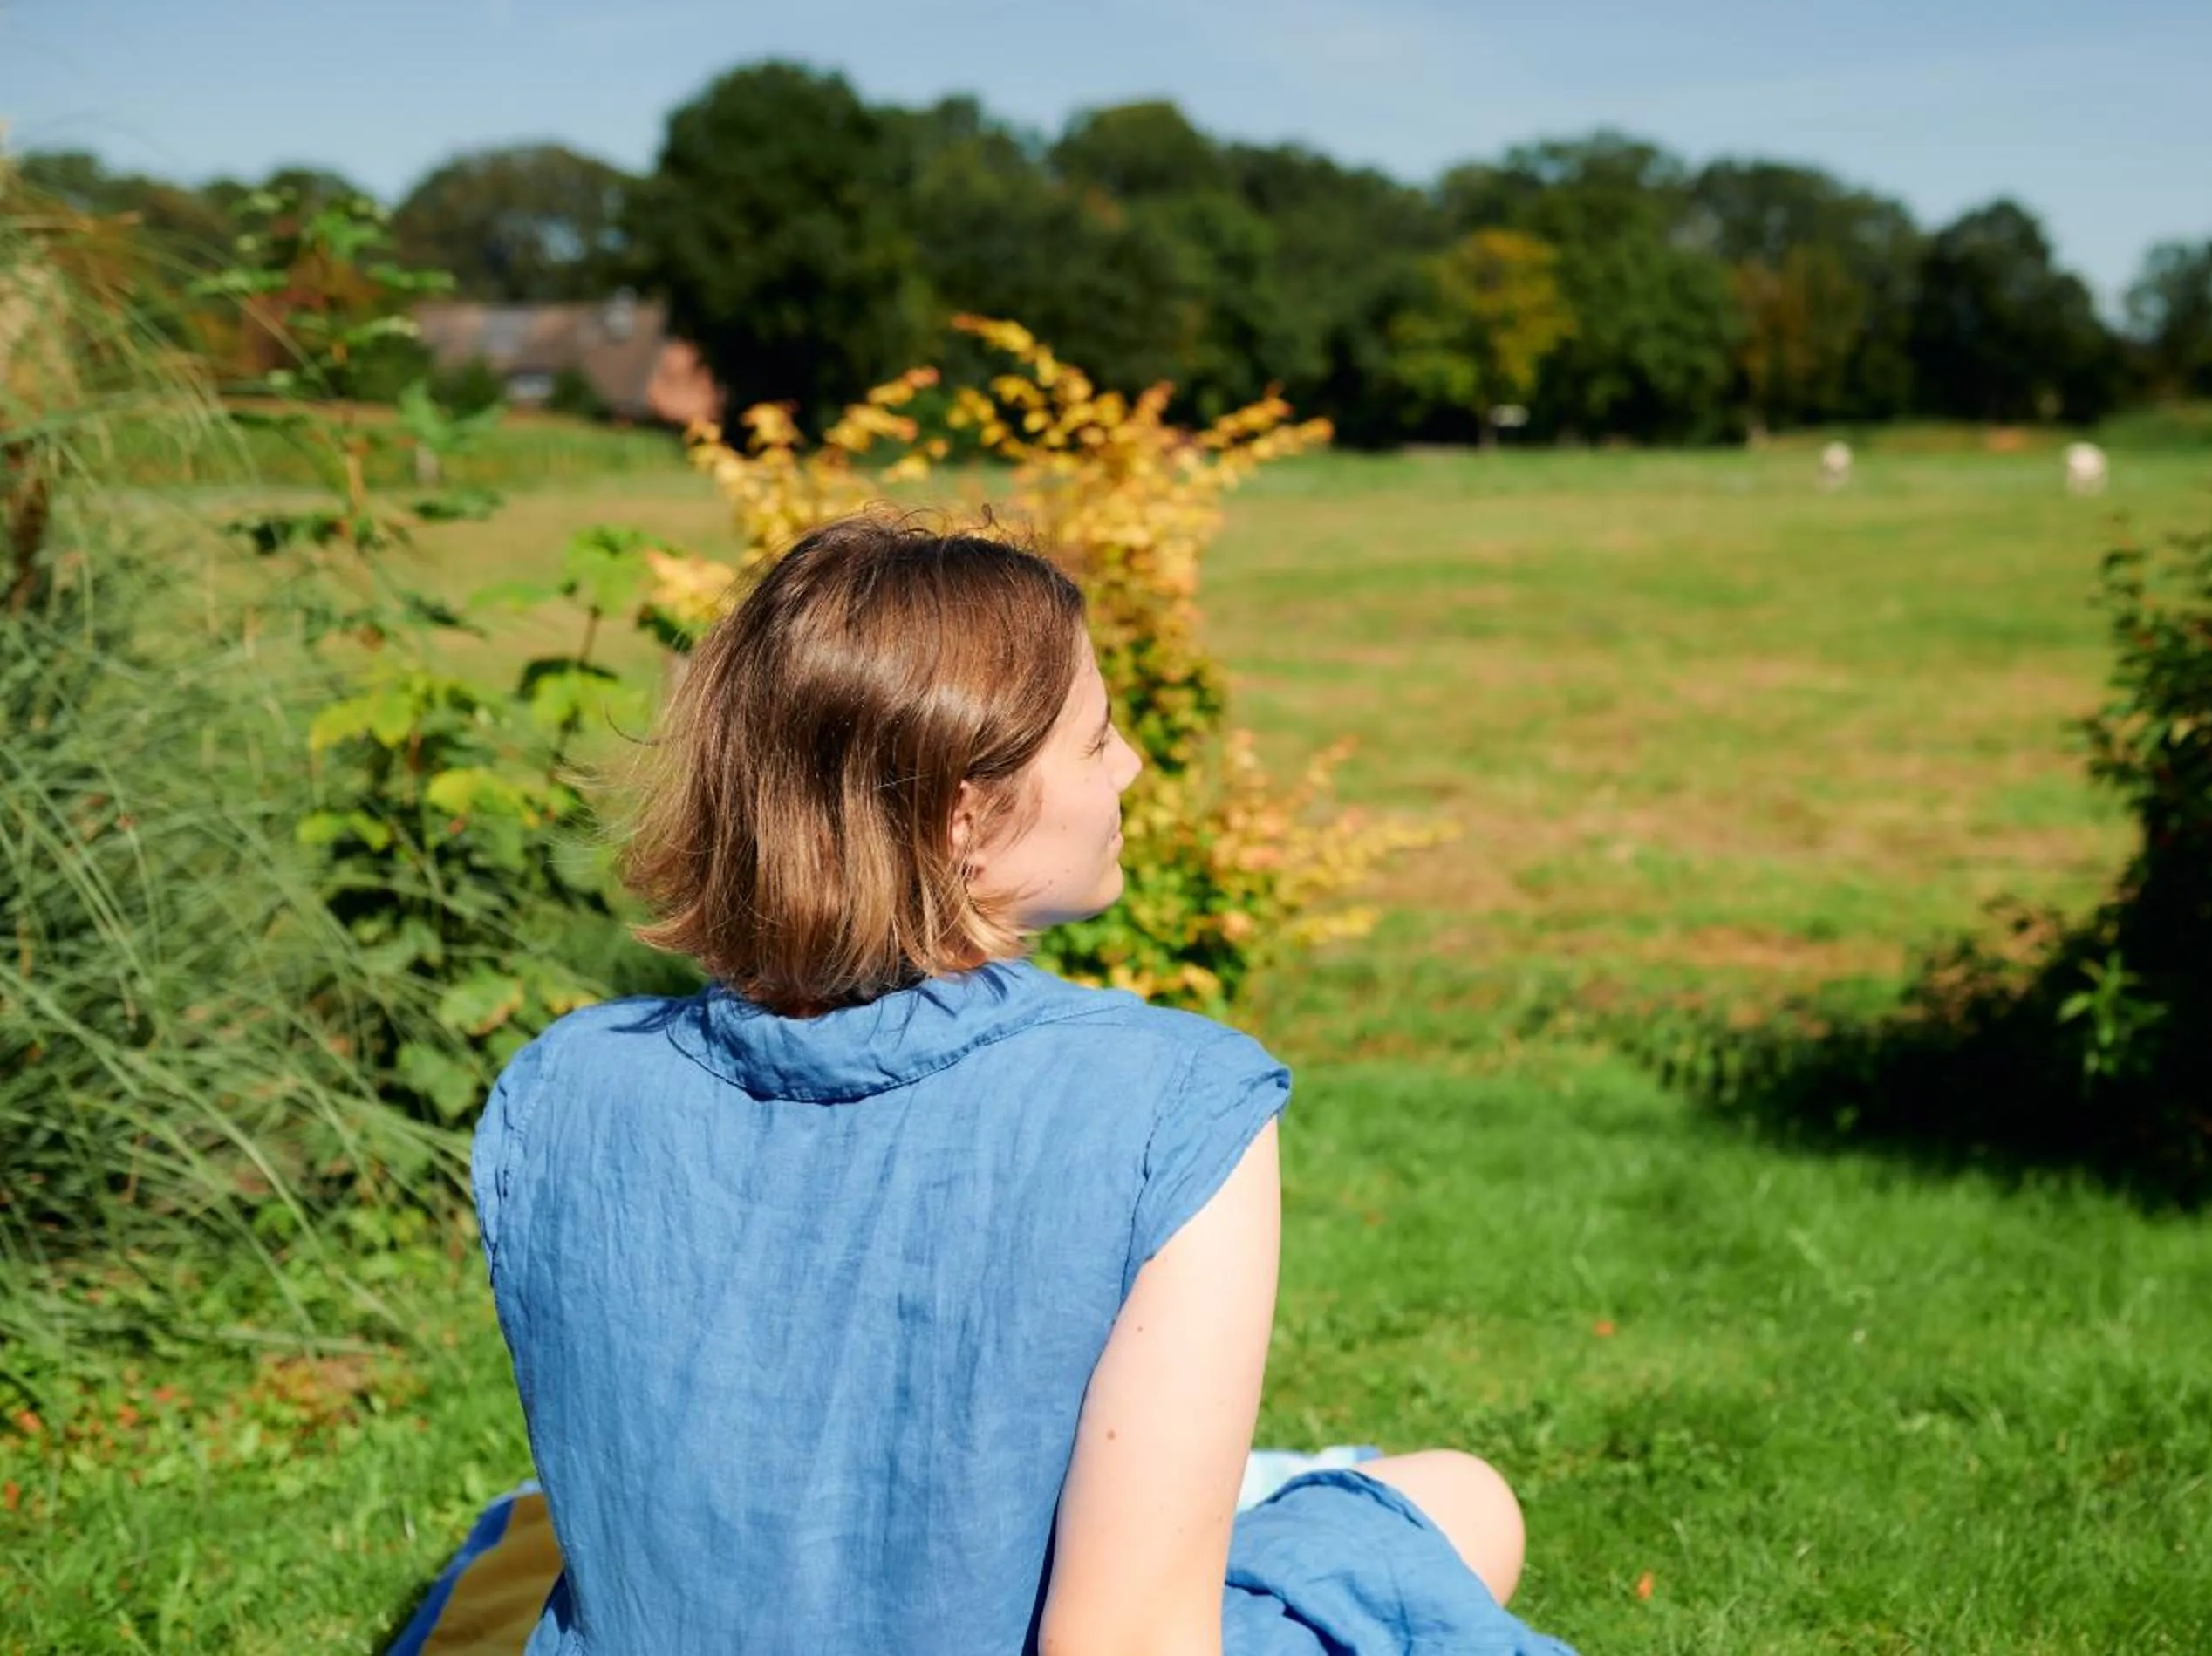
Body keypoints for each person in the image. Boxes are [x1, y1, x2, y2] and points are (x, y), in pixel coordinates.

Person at [434, 516, 1575, 1654]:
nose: (1129, 764)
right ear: (963, 816)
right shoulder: (1171, 1101)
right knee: (1455, 1504)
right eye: (1097, 737)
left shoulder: (561, 1086)